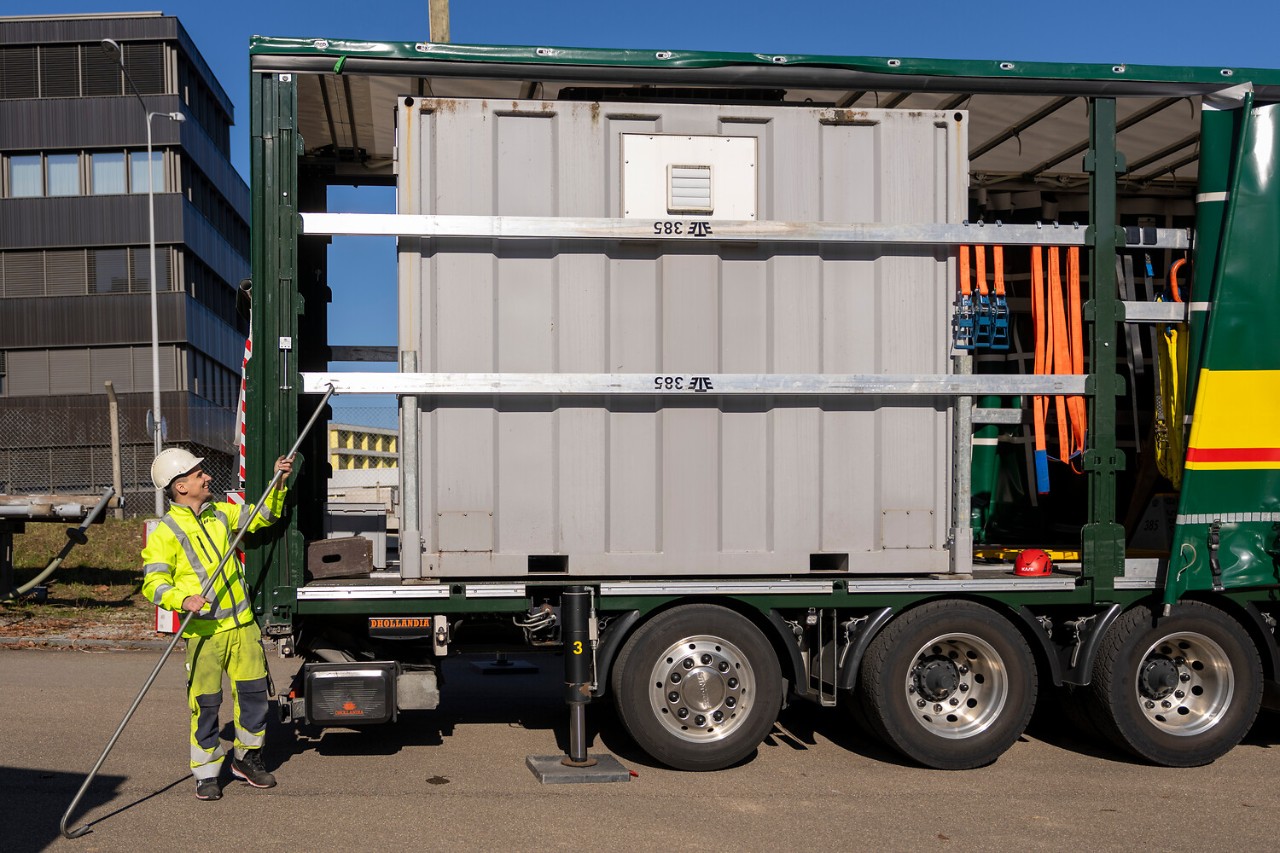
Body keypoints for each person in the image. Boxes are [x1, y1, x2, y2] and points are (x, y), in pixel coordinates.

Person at [141, 447, 293, 801]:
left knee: (255, 699)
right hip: (204, 633)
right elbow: (154, 583)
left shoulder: (221, 515)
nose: (206, 477)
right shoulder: (165, 532)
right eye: (198, 475)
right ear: (181, 487)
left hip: (242, 628)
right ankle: (207, 772)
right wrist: (182, 600)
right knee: (206, 705)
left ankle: (246, 759)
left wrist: (280, 480)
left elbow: (264, 514)